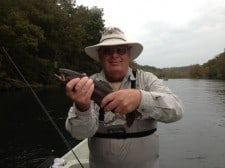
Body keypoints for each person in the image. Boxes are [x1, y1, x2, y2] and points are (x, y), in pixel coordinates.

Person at [65, 27, 184, 168]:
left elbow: (177, 110)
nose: (114, 55)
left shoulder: (147, 80)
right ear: (100, 56)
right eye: (107, 51)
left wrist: (141, 98)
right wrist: (82, 108)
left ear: (128, 54)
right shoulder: (87, 85)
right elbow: (79, 134)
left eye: (121, 50)